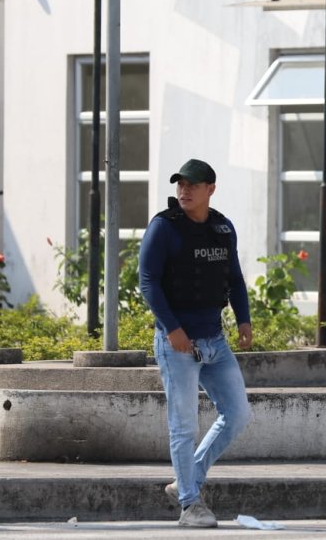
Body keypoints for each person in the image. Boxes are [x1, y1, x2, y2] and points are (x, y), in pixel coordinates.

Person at [139, 158, 253, 528]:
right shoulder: (163, 227)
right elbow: (149, 282)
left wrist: (244, 319)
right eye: (180, 185)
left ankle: (187, 481)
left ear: (210, 189)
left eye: (192, 185)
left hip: (214, 341)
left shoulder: (222, 228)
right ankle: (190, 504)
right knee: (183, 424)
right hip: (177, 344)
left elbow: (234, 279)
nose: (184, 191)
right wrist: (171, 328)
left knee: (237, 415)